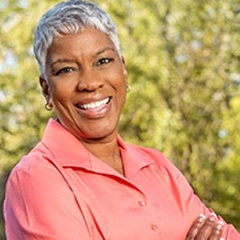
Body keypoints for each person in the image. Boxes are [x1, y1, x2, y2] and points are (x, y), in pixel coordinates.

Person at [3, 0, 240, 239]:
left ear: (123, 71)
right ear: (46, 89)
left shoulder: (158, 166)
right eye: (66, 70)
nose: (90, 83)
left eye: (103, 61)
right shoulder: (36, 179)